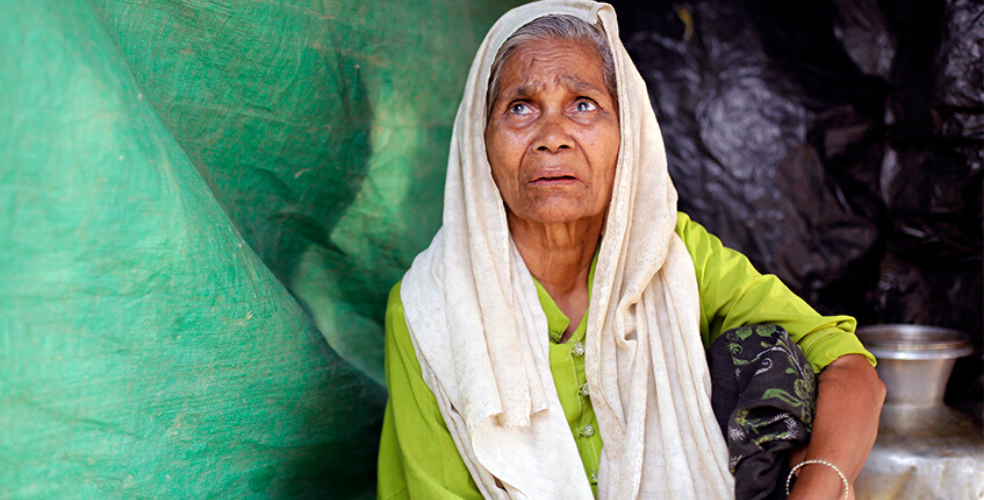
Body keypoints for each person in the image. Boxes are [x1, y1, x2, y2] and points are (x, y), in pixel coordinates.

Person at [377, 1, 885, 499]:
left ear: (629, 133)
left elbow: (845, 365)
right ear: (480, 141)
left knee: (771, 357)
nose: (553, 137)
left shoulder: (672, 255)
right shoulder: (429, 309)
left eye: (583, 105)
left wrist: (818, 484)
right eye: (520, 107)